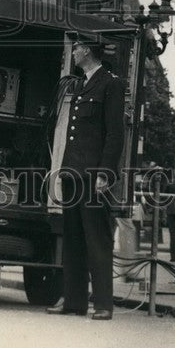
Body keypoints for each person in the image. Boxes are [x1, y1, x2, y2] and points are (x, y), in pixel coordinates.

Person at [48, 41, 125, 320]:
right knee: (73, 240)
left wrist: (105, 173)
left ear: (88, 51)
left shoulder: (111, 84)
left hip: (93, 176)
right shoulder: (81, 85)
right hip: (73, 173)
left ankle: (103, 304)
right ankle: (74, 301)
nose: (74, 52)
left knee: (97, 240)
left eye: (78, 48)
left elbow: (114, 133)